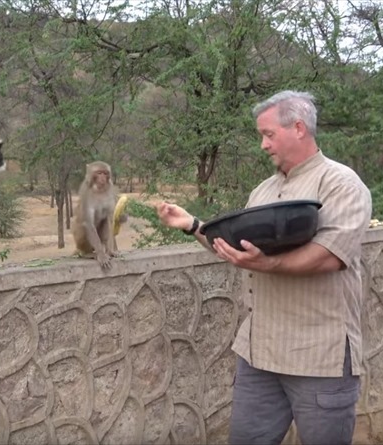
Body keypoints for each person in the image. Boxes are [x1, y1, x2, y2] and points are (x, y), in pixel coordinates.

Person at [156, 90, 372, 445]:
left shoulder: (341, 184)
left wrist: (268, 264)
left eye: (268, 134)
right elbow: (237, 249)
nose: (263, 145)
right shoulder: (262, 192)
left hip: (321, 357)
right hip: (260, 355)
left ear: (299, 128)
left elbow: (329, 255)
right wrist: (194, 225)